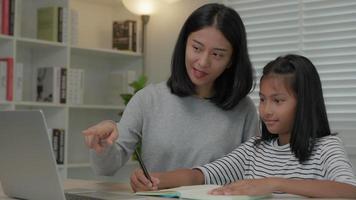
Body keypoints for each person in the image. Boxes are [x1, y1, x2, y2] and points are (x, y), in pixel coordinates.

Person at [130, 54, 356, 198]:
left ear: (305, 102)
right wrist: (154, 180)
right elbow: (199, 176)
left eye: (277, 101)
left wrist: (273, 184)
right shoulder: (254, 150)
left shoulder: (326, 148)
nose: (266, 110)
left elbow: (349, 191)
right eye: (263, 99)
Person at [82, 3, 258, 177]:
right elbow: (105, 168)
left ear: (231, 61)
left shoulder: (244, 110)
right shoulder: (148, 100)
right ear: (184, 45)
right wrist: (104, 144)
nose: (203, 62)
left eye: (217, 54)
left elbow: (254, 177)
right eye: (196, 48)